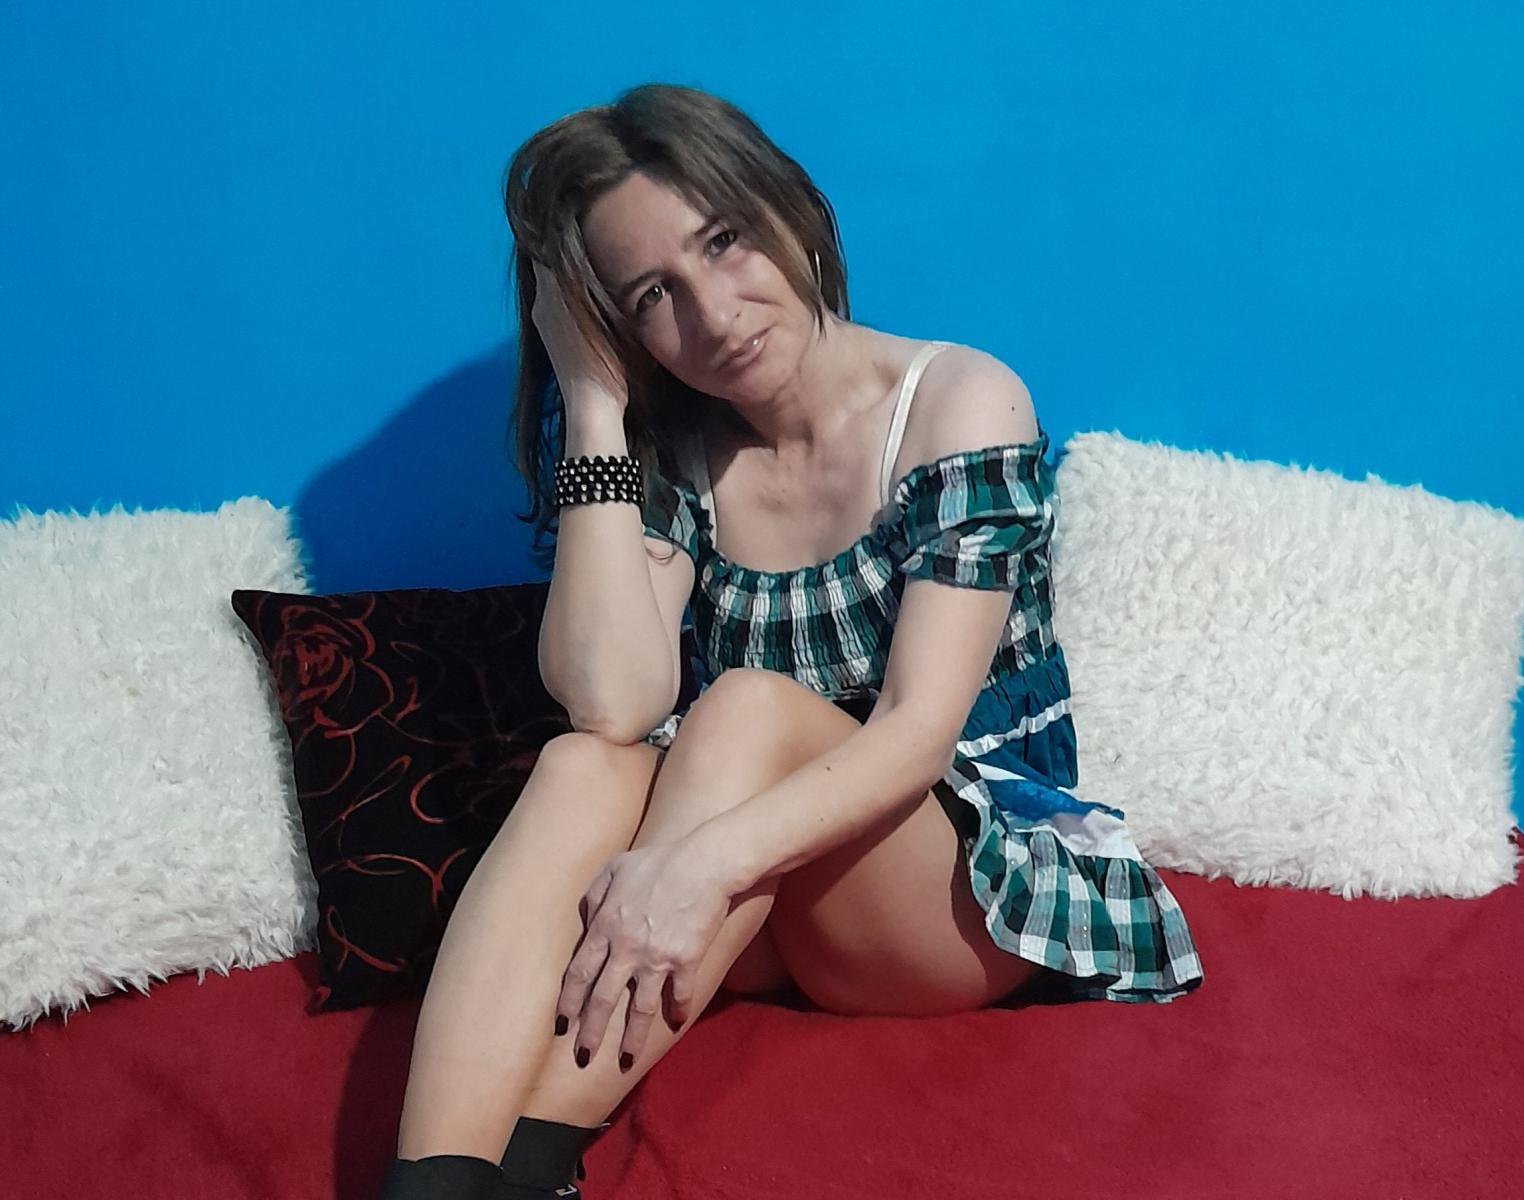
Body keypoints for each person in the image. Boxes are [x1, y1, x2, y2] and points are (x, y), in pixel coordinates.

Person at [380, 82, 1204, 1200]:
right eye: (652, 296)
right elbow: (612, 700)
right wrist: (591, 399)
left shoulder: (958, 402)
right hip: (757, 906)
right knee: (582, 763)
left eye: (723, 241)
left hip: (949, 894)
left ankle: (526, 1167)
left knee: (745, 709)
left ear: (792, 209)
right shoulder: (678, 447)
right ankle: (432, 1186)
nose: (715, 315)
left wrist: (694, 868)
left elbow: (916, 734)